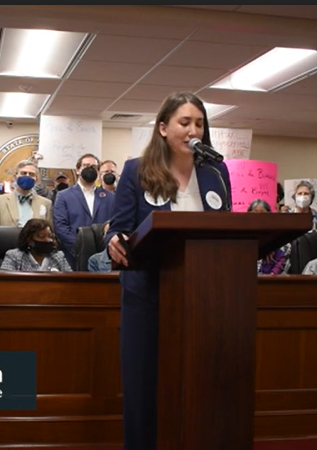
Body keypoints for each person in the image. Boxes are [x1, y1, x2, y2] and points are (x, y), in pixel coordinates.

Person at [104, 92, 232, 449]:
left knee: (202, 383)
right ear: (163, 128)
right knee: (143, 385)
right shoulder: (137, 169)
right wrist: (114, 238)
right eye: (185, 122)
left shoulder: (216, 172)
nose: (194, 130)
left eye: (200, 123)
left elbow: (228, 230)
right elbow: (120, 226)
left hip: (204, 294)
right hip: (147, 292)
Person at [1, 218, 71, 272]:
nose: (47, 240)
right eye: (41, 236)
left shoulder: (58, 256)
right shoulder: (14, 256)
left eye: (50, 236)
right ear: (29, 240)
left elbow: (71, 281)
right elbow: (4, 282)